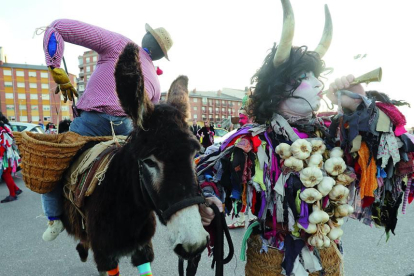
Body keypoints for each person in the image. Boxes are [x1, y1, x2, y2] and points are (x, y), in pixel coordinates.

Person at [198, 1, 414, 275]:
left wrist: (360, 105)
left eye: (315, 76)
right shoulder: (253, 140)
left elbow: (394, 156)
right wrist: (208, 199)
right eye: (303, 77)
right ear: (278, 90)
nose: (315, 83)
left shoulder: (332, 133)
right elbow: (208, 173)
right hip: (269, 255)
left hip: (325, 253)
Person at [39, 19, 173, 248]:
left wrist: (55, 67)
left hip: (91, 123)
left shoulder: (118, 42)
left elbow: (57, 28)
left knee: (50, 161)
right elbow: (149, 120)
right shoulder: (157, 83)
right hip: (126, 131)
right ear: (160, 56)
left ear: (145, 38)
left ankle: (54, 219)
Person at [0, 112, 22, 203]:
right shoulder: (5, 126)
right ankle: (16, 189)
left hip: (6, 154)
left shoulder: (1, 128)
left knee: (6, 173)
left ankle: (12, 195)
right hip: (10, 154)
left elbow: (3, 143)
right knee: (7, 173)